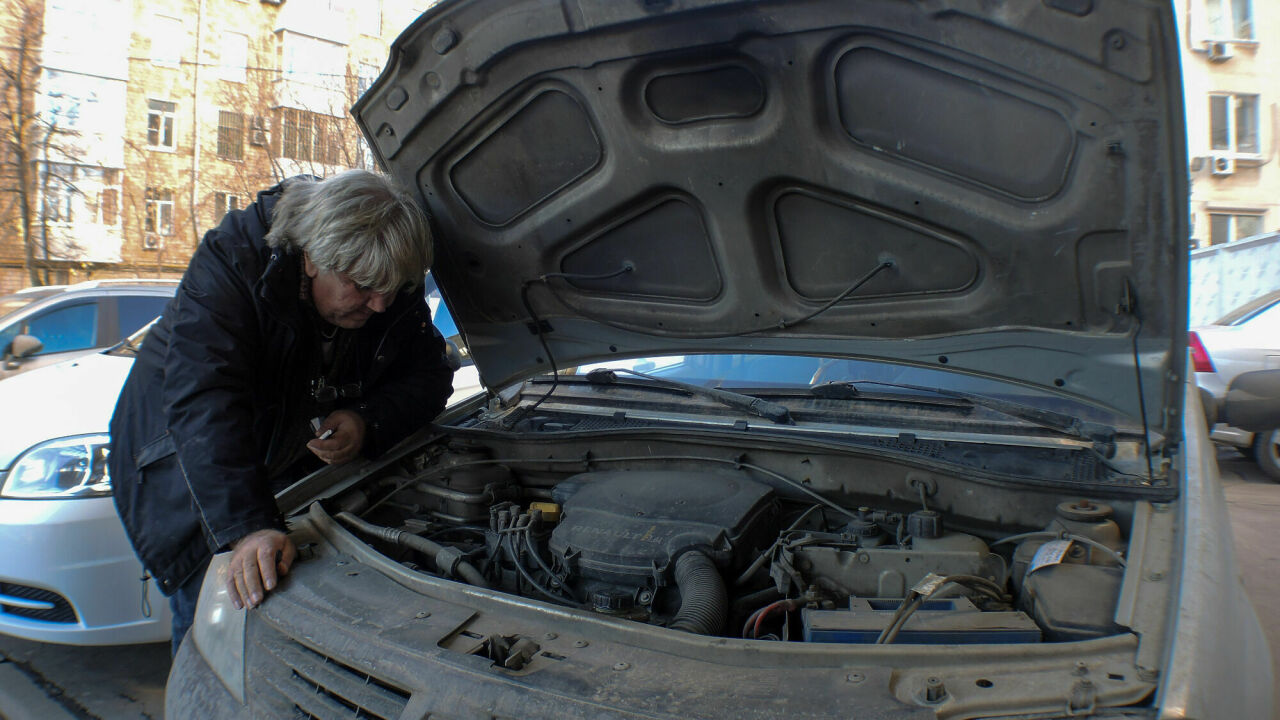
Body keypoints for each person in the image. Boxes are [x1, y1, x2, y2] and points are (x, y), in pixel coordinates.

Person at [108, 170, 454, 655]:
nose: (379, 305)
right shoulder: (234, 259)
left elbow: (431, 375)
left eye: (392, 289)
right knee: (217, 641)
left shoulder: (385, 271)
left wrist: (366, 419)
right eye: (361, 286)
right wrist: (247, 525)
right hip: (196, 479)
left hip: (290, 476)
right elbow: (206, 398)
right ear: (312, 258)